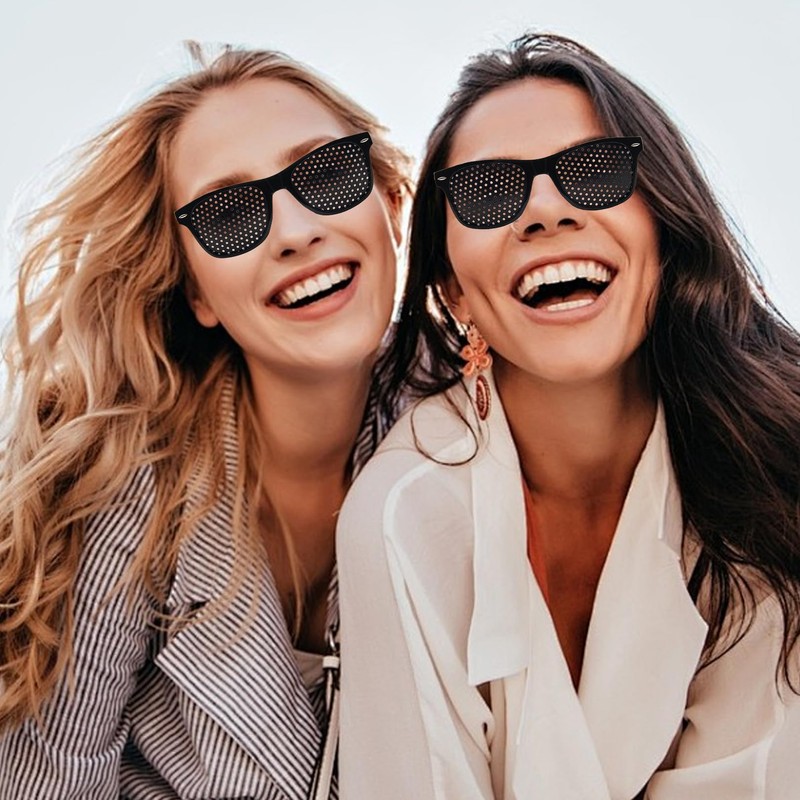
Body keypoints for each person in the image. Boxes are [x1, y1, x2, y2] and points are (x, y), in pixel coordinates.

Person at [337, 32, 800, 799]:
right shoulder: (405, 513)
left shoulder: (770, 458)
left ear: (665, 232)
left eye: (594, 171)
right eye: (488, 193)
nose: (546, 212)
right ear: (452, 291)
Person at [0, 42, 410, 799]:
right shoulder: (123, 488)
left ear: (389, 203)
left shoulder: (481, 436)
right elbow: (47, 779)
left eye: (325, 173)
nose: (295, 231)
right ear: (197, 292)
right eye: (229, 214)